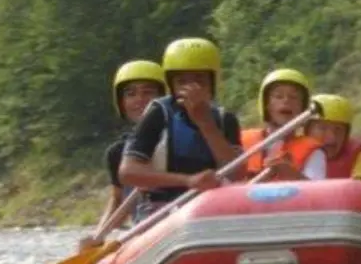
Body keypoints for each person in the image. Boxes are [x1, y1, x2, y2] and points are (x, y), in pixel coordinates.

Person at [119, 38, 243, 220]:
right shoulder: (158, 114)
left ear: (212, 83)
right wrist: (188, 181)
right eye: (182, 81)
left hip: (212, 206)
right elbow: (128, 173)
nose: (190, 88)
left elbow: (236, 173)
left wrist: (206, 123)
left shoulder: (225, 120)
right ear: (172, 86)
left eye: (199, 80)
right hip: (160, 209)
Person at [79, 60, 166, 249]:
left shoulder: (182, 141)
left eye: (148, 92)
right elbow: (117, 200)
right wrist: (98, 236)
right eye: (130, 94)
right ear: (121, 102)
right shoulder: (117, 153)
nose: (139, 100)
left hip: (177, 225)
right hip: (143, 234)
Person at [240, 68, 325, 182]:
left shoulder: (314, 152)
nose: (286, 100)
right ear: (266, 105)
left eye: (294, 97)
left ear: (302, 108)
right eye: (278, 96)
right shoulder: (240, 142)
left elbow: (317, 194)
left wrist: (290, 173)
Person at [307, 94, 361, 182]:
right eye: (322, 128)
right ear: (307, 130)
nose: (331, 138)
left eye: (338, 130)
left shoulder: (360, 158)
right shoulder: (292, 151)